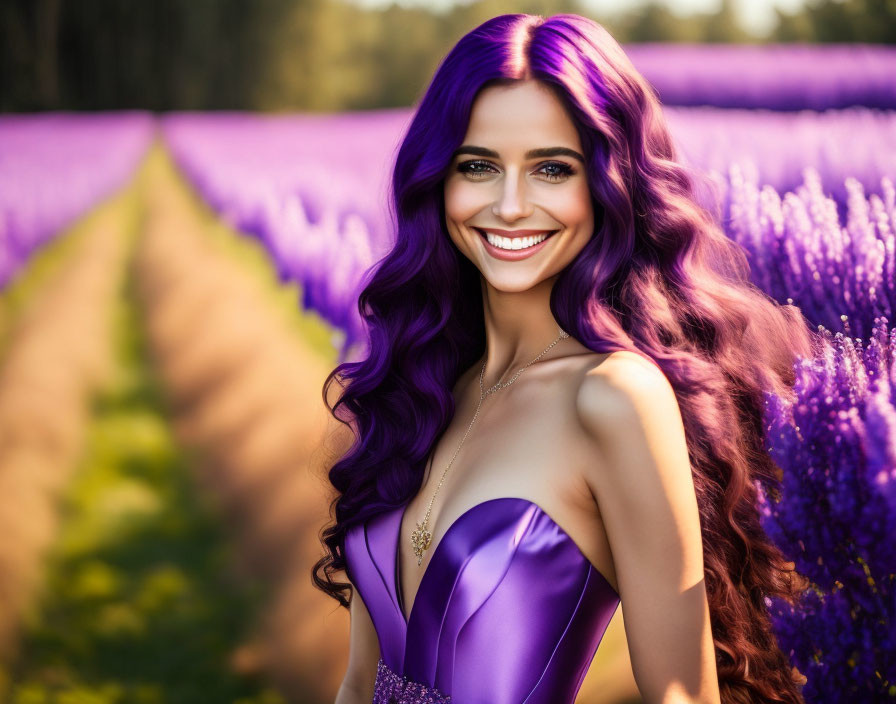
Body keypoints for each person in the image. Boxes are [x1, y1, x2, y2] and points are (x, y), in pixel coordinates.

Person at [313, 12, 816, 704]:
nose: (510, 205)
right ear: (439, 181)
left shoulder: (613, 397)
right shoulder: (418, 387)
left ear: (610, 185)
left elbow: (681, 694)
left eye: (552, 168)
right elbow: (357, 682)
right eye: (478, 166)